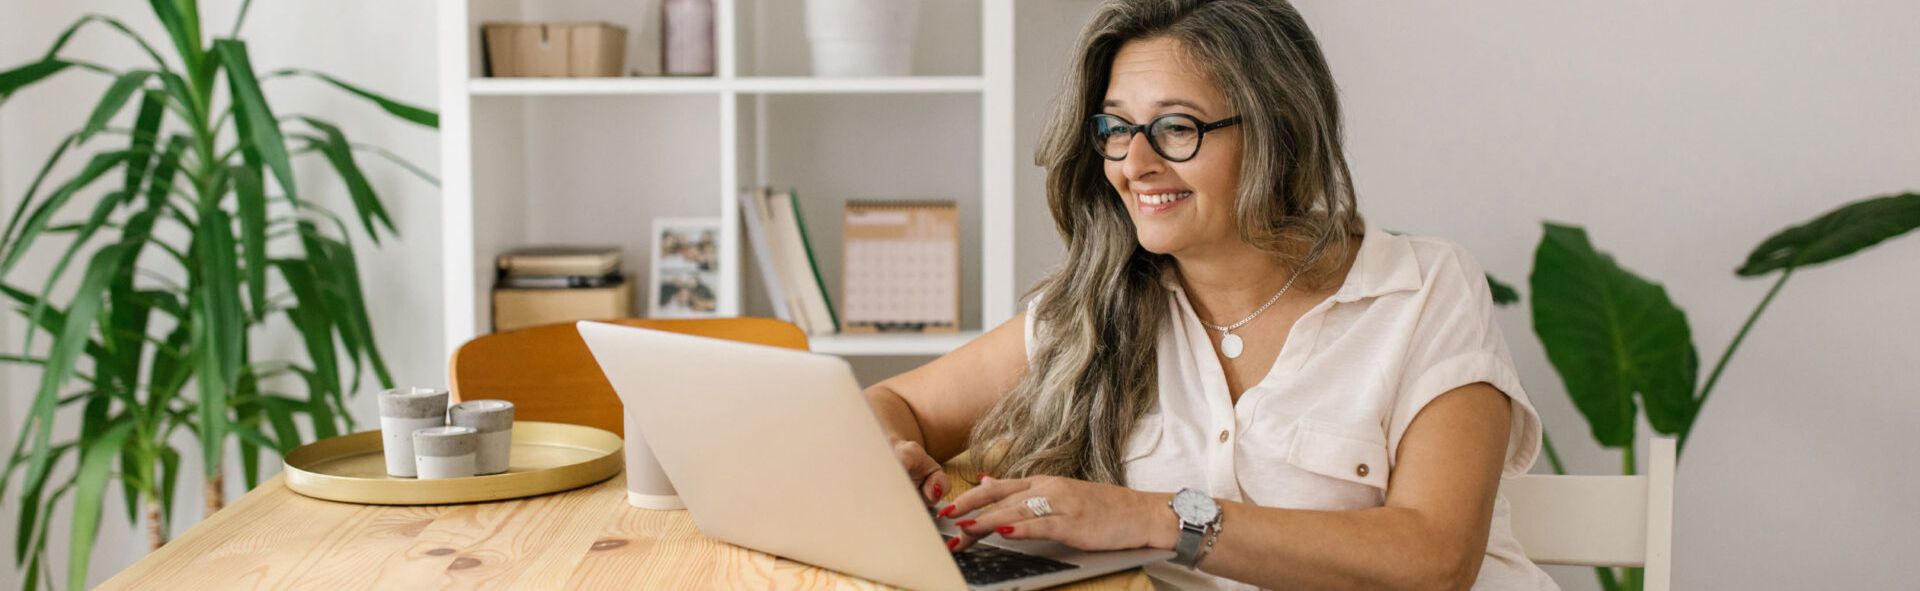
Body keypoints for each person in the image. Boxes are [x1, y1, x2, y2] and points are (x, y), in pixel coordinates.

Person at [862, 1, 1556, 589]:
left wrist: (1153, 515)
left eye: (1175, 127)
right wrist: (895, 458)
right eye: (1115, 128)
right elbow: (891, 404)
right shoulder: (1093, 311)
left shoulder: (1424, 289)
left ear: (1278, 133)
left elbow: (1435, 556)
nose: (1134, 164)